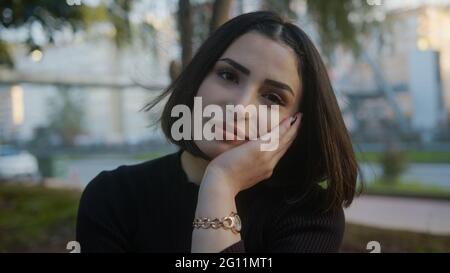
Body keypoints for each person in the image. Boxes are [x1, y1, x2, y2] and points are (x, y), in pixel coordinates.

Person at [76, 11, 358, 253]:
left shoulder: (310, 216)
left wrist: (220, 185)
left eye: (272, 97)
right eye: (228, 76)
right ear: (197, 79)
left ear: (295, 124)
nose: (239, 106)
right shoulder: (114, 197)